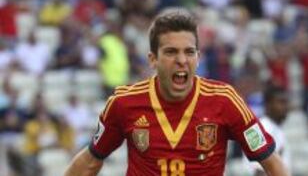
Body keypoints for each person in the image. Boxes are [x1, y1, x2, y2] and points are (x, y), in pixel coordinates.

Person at [64, 10, 289, 176]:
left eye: (189, 52)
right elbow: (90, 162)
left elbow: (272, 163)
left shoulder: (225, 100)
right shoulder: (124, 102)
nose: (182, 60)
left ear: (198, 58)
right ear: (153, 59)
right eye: (171, 52)